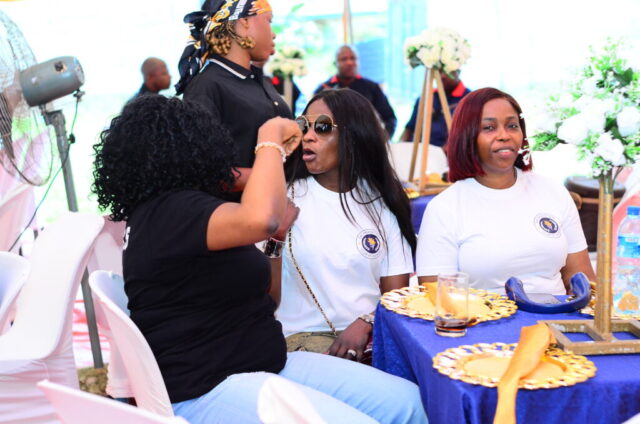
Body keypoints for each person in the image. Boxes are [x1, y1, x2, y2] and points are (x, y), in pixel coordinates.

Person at [92, 95, 427, 424]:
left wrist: (276, 239)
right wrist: (269, 141)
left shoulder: (187, 211)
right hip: (206, 386)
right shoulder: (173, 214)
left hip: (262, 362)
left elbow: (268, 294)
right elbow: (262, 218)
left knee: (410, 404)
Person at [272, 88, 416, 361]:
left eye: (322, 127)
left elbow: (397, 296)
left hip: (373, 334)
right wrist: (275, 237)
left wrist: (366, 321)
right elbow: (264, 300)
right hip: (302, 339)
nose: (308, 136)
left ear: (354, 134)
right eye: (304, 126)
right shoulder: (284, 197)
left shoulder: (380, 203)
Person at [416, 87, 596, 295]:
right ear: (467, 136)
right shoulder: (444, 208)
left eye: (512, 126)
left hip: (558, 314)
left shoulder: (553, 192)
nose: (504, 135)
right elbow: (439, 298)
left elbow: (582, 281)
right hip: (481, 315)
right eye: (489, 128)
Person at [176, 0, 291, 194]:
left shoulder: (257, 79)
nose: (273, 33)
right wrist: (277, 179)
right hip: (242, 209)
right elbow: (204, 172)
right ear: (244, 20)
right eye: (268, 20)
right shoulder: (206, 86)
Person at [314, 45, 397, 140]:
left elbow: (390, 118)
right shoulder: (323, 90)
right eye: (344, 59)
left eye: (353, 58)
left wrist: (383, 139)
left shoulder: (372, 87)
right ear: (335, 63)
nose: (349, 62)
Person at [400, 70, 471, 146]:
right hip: (424, 148)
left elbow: (468, 134)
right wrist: (401, 146)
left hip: (451, 149)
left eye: (447, 72)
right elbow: (410, 127)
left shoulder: (469, 99)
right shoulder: (426, 96)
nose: (443, 76)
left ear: (458, 72)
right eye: (439, 72)